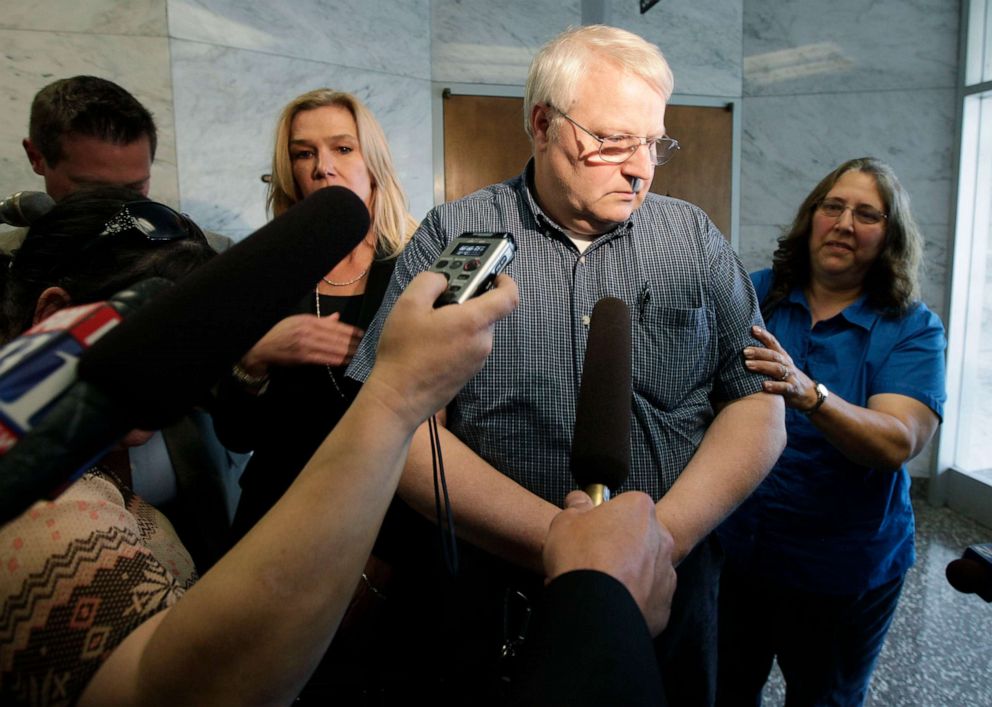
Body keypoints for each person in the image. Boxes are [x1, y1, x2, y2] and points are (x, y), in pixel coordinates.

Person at [347, 24, 785, 704]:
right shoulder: (453, 235)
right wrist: (565, 543)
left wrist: (655, 543)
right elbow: (401, 426)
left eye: (652, 143)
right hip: (491, 589)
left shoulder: (694, 238)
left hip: (668, 588)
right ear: (543, 124)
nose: (639, 167)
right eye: (613, 140)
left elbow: (759, 401)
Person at [0, 186, 508, 705]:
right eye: (170, 332)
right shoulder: (38, 508)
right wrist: (398, 397)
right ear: (54, 317)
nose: (188, 370)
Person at [715, 157, 946, 706]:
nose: (844, 223)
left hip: (843, 573)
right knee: (721, 690)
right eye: (833, 206)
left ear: (890, 236)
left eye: (867, 214)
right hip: (738, 556)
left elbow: (897, 441)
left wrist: (809, 393)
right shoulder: (756, 294)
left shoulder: (912, 327)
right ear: (812, 216)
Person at [212, 89, 417, 546]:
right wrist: (256, 359)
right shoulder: (265, 272)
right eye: (304, 153)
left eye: (343, 148)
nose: (322, 166)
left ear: (373, 162)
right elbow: (236, 435)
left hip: (390, 520)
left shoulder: (417, 265)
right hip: (279, 512)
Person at [1, 75, 232, 254]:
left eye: (133, 189)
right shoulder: (5, 260)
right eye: (91, 191)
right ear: (36, 157)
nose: (116, 208)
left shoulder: (212, 257)